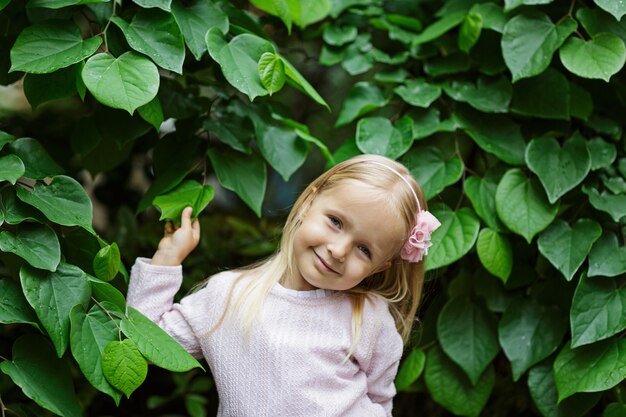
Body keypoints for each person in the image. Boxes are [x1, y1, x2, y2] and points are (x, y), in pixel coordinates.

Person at [126, 154, 441, 417]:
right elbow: (146, 342)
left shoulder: (369, 318)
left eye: (364, 249)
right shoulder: (228, 297)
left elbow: (380, 403)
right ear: (309, 203)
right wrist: (165, 260)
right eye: (335, 222)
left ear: (380, 266)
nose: (339, 250)